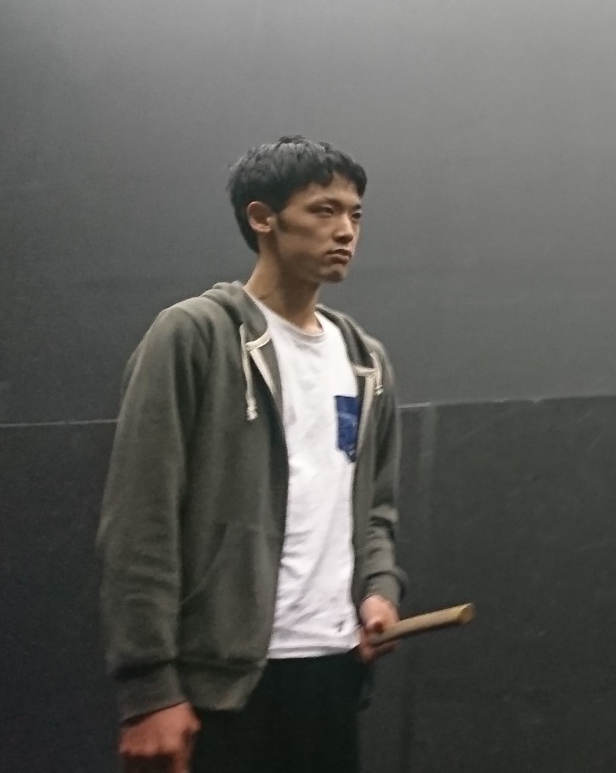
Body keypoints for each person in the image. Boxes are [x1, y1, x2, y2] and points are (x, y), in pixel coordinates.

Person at [98, 136, 408, 773]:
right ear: (262, 218)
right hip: (220, 685)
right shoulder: (193, 335)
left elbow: (376, 509)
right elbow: (140, 522)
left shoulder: (365, 360)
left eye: (355, 214)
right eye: (323, 210)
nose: (345, 230)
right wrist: (148, 690)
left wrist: (378, 591)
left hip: (332, 671)